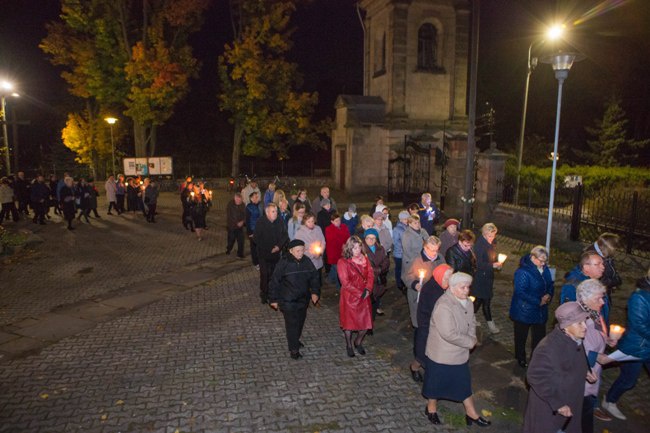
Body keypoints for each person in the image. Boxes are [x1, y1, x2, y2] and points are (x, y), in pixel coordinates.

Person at [422, 272, 491, 428]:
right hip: (441, 354)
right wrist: (470, 342)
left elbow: (472, 320)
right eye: (463, 287)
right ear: (452, 288)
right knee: (435, 384)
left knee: (463, 383)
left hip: (459, 354)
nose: (466, 290)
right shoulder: (443, 305)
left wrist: (472, 336)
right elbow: (448, 333)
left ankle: (471, 413)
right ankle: (431, 408)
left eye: (468, 287)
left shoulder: (468, 302)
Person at [524, 302, 596, 433]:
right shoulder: (548, 347)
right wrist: (558, 403)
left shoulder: (574, 338)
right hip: (550, 409)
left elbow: (575, 358)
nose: (585, 326)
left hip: (571, 400)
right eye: (579, 323)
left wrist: (585, 371)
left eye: (585, 321)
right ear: (566, 326)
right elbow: (535, 376)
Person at [602, 268, 650, 421]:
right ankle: (609, 401)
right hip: (637, 346)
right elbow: (639, 325)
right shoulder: (639, 297)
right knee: (628, 380)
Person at [268, 239, 321, 360]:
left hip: (303, 299)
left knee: (300, 322)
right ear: (291, 251)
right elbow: (274, 281)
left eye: (302, 250)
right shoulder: (284, 263)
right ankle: (294, 349)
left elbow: (314, 277)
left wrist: (315, 292)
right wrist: (273, 299)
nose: (300, 253)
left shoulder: (307, 261)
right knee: (292, 324)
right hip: (288, 300)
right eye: (297, 251)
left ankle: (295, 339)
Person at [404, 236, 445, 381]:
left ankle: (428, 355)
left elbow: (444, 274)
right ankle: (419, 357)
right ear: (425, 247)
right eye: (431, 250)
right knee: (420, 328)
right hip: (419, 299)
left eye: (436, 250)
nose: (434, 253)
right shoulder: (416, 259)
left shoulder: (440, 258)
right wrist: (415, 284)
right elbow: (406, 276)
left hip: (435, 299)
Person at [575, 279, 610, 432]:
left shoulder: (595, 314)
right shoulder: (579, 320)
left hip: (593, 373)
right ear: (585, 298)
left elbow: (596, 338)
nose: (602, 302)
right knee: (583, 414)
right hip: (581, 377)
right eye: (598, 298)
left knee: (584, 412)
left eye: (603, 297)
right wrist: (597, 356)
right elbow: (576, 349)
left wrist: (608, 339)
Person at [510, 246, 554, 368]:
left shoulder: (545, 269)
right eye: (540, 261)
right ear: (532, 257)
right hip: (524, 310)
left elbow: (550, 284)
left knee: (539, 337)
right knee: (521, 336)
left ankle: (537, 358)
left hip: (540, 310)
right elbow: (520, 292)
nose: (543, 264)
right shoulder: (522, 272)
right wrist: (538, 301)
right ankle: (520, 357)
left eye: (545, 261)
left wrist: (549, 295)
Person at [414, 264, 452, 381]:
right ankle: (414, 368)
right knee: (424, 357)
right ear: (440, 276)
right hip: (428, 328)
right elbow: (434, 312)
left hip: (439, 329)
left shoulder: (444, 287)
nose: (450, 280)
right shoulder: (431, 290)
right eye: (447, 278)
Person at [337, 236, 374, 357]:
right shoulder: (343, 262)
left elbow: (370, 275)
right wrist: (360, 293)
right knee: (349, 324)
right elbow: (345, 282)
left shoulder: (365, 259)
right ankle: (349, 345)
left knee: (365, 324)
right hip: (350, 297)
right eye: (354, 248)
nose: (357, 250)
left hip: (364, 295)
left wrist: (368, 288)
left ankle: (358, 341)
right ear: (349, 248)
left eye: (359, 247)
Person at [254, 203, 289, 304]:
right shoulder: (261, 222)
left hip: (276, 254)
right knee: (265, 274)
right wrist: (270, 248)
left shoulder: (279, 221)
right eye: (273, 212)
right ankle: (264, 293)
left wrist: (278, 246)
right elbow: (256, 238)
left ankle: (273, 293)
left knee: (274, 274)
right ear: (267, 212)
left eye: (276, 212)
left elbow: (285, 235)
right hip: (264, 254)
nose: (275, 214)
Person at [561, 251, 609, 324]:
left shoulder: (595, 282)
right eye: (597, 264)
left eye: (602, 264)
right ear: (586, 267)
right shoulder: (572, 287)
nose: (603, 267)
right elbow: (568, 316)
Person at [473, 223, 502, 333]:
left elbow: (491, 258)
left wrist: (497, 264)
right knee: (485, 301)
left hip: (488, 277)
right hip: (481, 277)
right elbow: (478, 264)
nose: (492, 238)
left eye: (494, 235)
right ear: (484, 234)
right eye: (490, 235)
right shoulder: (480, 245)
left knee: (479, 301)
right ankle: (491, 325)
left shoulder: (491, 243)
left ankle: (470, 317)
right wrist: (492, 265)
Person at [584, 233, 622, 305]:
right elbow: (601, 281)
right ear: (609, 247)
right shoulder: (594, 258)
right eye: (615, 248)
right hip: (596, 294)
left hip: (604, 290)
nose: (616, 250)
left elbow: (610, 267)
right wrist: (615, 281)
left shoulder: (603, 252)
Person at [362, 228, 390, 319]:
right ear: (365, 238)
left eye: (373, 238)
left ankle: (372, 318)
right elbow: (363, 265)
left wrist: (381, 269)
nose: (371, 240)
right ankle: (368, 321)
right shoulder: (362, 250)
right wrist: (377, 270)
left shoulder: (380, 248)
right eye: (368, 238)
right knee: (368, 302)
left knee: (376, 298)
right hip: (368, 281)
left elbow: (386, 261)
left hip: (379, 280)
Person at [295, 212, 326, 283]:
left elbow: (323, 241)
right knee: (309, 284)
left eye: (312, 221)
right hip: (307, 262)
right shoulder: (300, 233)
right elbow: (300, 248)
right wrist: (313, 254)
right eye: (308, 221)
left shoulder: (318, 228)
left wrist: (320, 252)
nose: (311, 223)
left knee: (318, 282)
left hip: (318, 261)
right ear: (304, 222)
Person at [400, 214, 430, 286]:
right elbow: (407, 251)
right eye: (415, 223)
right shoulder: (406, 235)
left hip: (423, 259)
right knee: (411, 277)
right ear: (410, 224)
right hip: (411, 260)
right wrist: (418, 260)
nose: (417, 225)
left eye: (418, 222)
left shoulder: (423, 231)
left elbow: (428, 241)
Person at [324, 212, 350, 290]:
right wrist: (342, 243)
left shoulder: (344, 226)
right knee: (337, 269)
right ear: (332, 222)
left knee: (335, 268)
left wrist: (346, 244)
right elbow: (331, 240)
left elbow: (348, 236)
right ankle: (339, 286)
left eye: (339, 220)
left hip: (343, 251)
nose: (338, 222)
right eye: (336, 221)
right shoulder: (328, 229)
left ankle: (329, 279)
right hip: (334, 252)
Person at [392, 210, 409, 293]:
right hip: (399, 253)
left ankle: (404, 282)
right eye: (405, 219)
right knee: (399, 269)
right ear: (401, 219)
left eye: (407, 219)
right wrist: (404, 246)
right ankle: (399, 283)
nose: (407, 221)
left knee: (405, 269)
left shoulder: (408, 227)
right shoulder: (397, 229)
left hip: (406, 253)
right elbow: (395, 242)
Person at [226, 192, 246, 258]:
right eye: (237, 200)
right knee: (231, 240)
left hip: (240, 227)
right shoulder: (230, 205)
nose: (238, 201)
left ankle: (240, 254)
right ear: (235, 198)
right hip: (232, 226)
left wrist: (243, 221)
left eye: (240, 200)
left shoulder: (243, 205)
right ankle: (228, 249)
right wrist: (237, 223)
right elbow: (230, 216)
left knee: (241, 240)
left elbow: (245, 215)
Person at [245, 192, 262, 269]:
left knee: (260, 246)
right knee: (254, 247)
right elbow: (247, 221)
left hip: (260, 229)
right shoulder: (249, 207)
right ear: (251, 198)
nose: (257, 198)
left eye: (257, 197)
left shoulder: (259, 205)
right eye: (255, 197)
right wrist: (249, 233)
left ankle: (260, 260)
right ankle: (256, 263)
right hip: (253, 230)